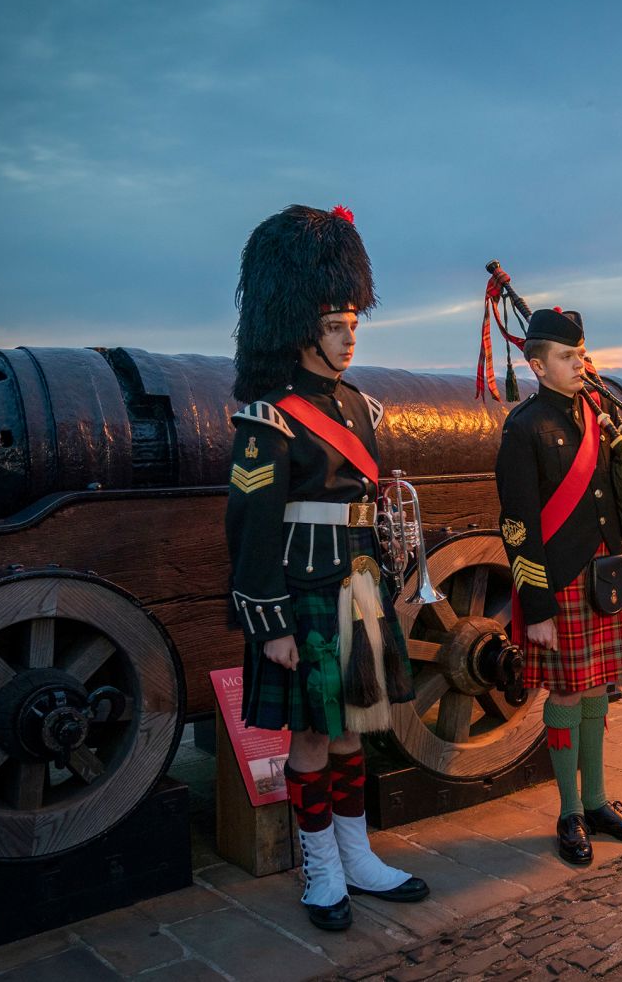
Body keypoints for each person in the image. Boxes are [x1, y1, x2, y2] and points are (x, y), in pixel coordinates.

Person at [226, 203, 429, 932]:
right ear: (302, 328)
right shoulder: (268, 417)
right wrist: (269, 623)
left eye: (354, 326)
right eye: (335, 327)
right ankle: (320, 871)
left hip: (359, 589)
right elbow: (250, 528)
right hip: (304, 592)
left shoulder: (365, 407)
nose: (348, 339)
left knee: (352, 733)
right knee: (310, 740)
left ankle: (359, 858)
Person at [495, 308, 622, 865]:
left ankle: (598, 803)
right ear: (537, 366)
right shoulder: (524, 428)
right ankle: (570, 811)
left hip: (604, 571)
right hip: (560, 578)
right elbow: (517, 526)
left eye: (581, 353)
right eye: (567, 357)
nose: (581, 363)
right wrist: (538, 605)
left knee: (600, 689)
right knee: (569, 693)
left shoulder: (598, 412)